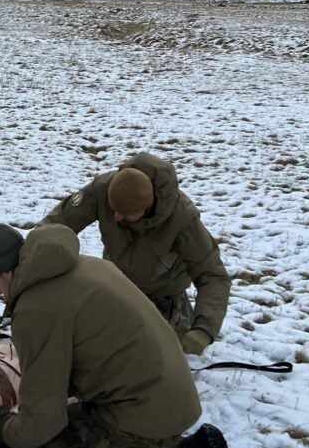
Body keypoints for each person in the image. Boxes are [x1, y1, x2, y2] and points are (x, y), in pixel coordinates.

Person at [0, 222, 249, 448]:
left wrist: (7, 429)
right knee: (73, 425)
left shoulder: (37, 309)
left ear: (7, 272)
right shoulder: (86, 266)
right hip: (175, 403)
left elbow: (42, 422)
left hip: (142, 420)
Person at [42, 153, 230, 356]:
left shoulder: (182, 219)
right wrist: (31, 262)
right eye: (113, 209)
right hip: (113, 285)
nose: (116, 217)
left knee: (140, 352)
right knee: (80, 333)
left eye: (125, 213)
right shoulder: (104, 189)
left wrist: (203, 331)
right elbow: (56, 226)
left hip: (161, 296)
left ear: (147, 208)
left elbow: (213, 276)